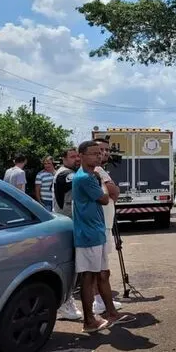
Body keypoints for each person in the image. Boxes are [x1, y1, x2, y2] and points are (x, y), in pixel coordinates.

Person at [72, 140, 129, 332]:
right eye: (94, 153)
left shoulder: (92, 175)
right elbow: (106, 198)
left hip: (97, 232)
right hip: (88, 234)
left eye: (100, 153)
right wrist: (101, 181)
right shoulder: (85, 178)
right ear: (81, 156)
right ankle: (89, 321)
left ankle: (111, 313)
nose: (99, 156)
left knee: (103, 273)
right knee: (88, 278)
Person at [92, 138, 122, 315]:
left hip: (104, 224)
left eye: (106, 150)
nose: (104, 153)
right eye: (100, 150)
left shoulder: (100, 170)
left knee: (102, 266)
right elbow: (114, 192)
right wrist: (114, 192)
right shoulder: (97, 170)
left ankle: (101, 300)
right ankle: (99, 302)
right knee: (100, 268)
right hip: (100, 225)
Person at [54, 147, 84, 321]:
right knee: (70, 265)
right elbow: (83, 181)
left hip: (71, 224)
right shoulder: (66, 174)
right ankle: (65, 303)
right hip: (67, 224)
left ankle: (67, 300)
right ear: (63, 158)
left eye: (77, 156)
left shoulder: (68, 173)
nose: (76, 159)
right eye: (72, 156)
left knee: (75, 265)